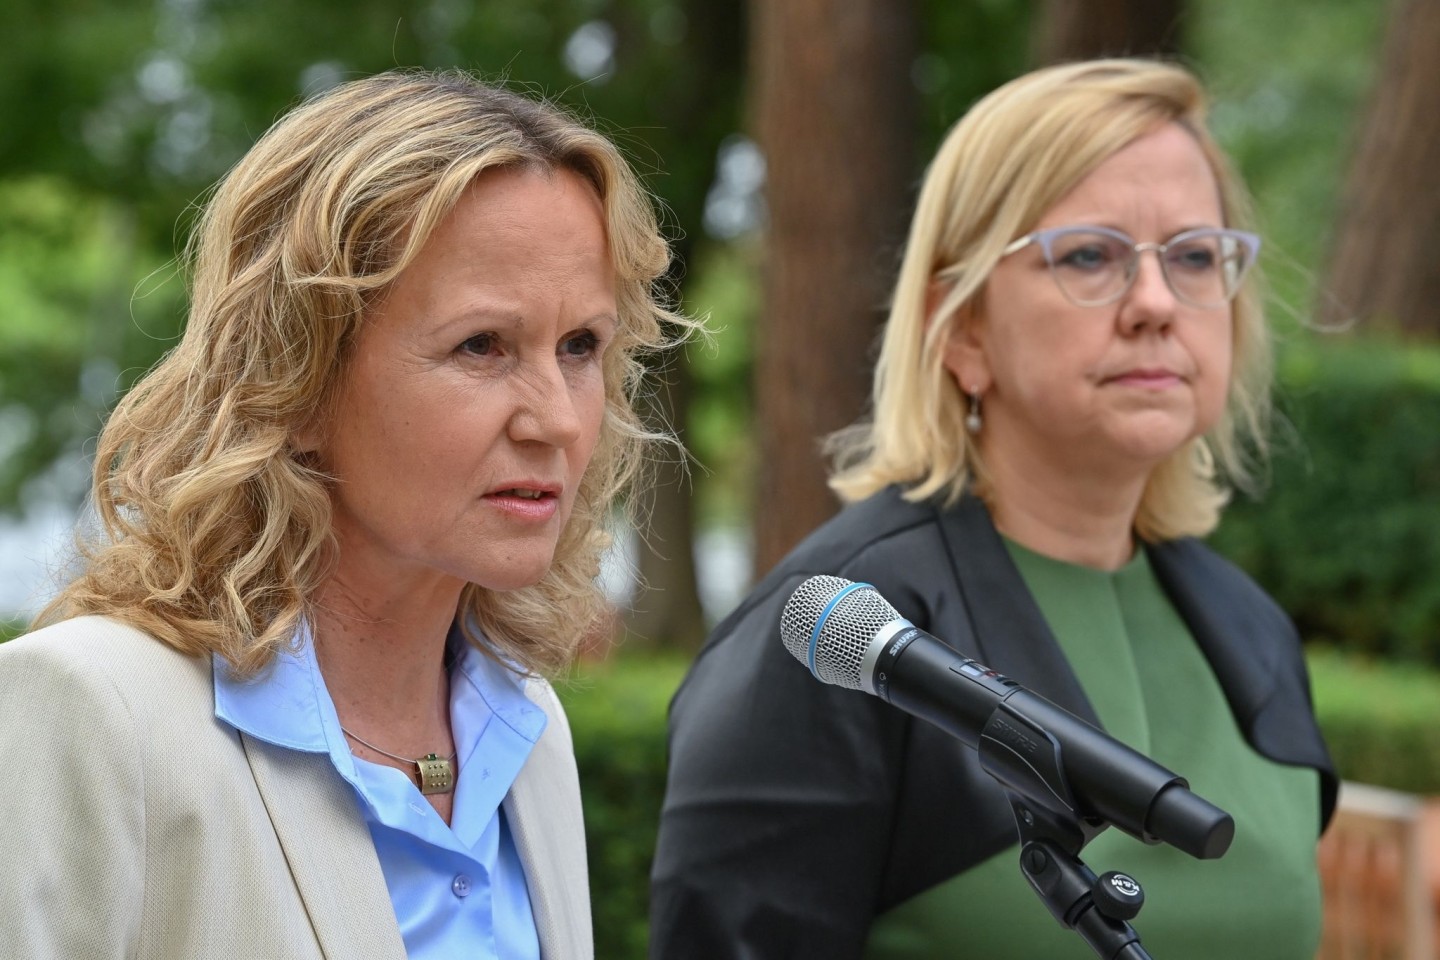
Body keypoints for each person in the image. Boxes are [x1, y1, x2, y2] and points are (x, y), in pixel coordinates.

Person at [650, 58, 1336, 959]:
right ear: (961, 328)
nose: (1158, 303)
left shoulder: (1253, 633)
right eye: (1090, 255)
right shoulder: (838, 637)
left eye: (1196, 255)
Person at [0, 69, 691, 959]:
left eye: (581, 346)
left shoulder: (525, 729)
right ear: (297, 376)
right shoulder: (93, 710)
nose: (557, 417)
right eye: (481, 345)